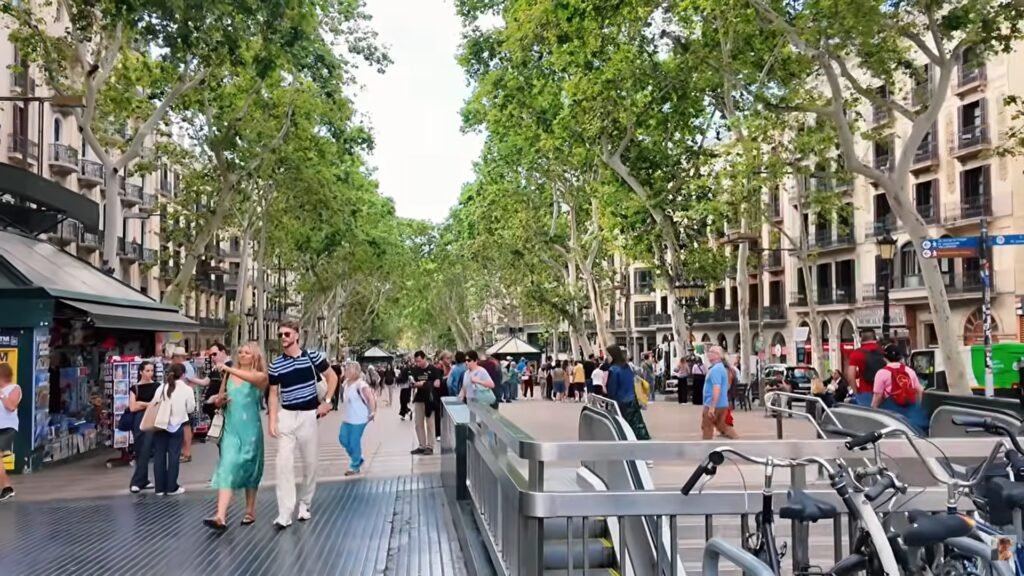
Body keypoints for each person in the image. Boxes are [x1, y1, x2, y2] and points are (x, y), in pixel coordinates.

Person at [267, 320, 338, 530]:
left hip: (309, 415)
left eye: (287, 334)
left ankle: (305, 504)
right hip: (287, 415)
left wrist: (327, 402)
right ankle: (284, 513)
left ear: (297, 335)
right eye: (281, 335)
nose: (283, 338)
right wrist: (272, 419)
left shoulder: (313, 357)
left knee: (310, 464)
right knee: (283, 464)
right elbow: (272, 393)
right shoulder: (276, 364)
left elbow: (332, 376)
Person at [202, 342, 270, 531]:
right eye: (240, 352)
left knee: (250, 467)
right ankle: (220, 516)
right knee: (227, 466)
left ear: (255, 357)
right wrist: (219, 400)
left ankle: (250, 509)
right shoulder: (230, 374)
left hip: (250, 429)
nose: (241, 355)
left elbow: (255, 379)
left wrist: (229, 369)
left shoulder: (260, 376)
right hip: (231, 429)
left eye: (246, 353)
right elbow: (220, 398)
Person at [152, 363, 196, 496]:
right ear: (183, 374)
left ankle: (159, 488)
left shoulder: (161, 388)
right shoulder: (187, 389)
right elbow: (190, 408)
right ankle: (171, 487)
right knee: (174, 456)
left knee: (159, 456)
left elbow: (154, 404)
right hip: (176, 426)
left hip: (160, 425)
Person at [871, 344, 927, 432]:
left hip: (891, 413)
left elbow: (878, 396)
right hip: (910, 411)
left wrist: (873, 411)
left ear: (885, 358)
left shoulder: (881, 373)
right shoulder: (909, 371)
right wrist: (917, 406)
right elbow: (919, 390)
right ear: (900, 358)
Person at [338, 361, 377, 477]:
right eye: (345, 370)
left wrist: (372, 412)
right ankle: (358, 458)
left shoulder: (361, 385)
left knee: (354, 441)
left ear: (354, 371)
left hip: (360, 418)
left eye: (348, 370)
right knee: (343, 439)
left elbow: (371, 398)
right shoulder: (345, 383)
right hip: (347, 418)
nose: (345, 372)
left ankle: (355, 465)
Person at [605, 345, 651, 441]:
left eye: (608, 355)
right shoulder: (627, 368)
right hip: (632, 402)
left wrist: (609, 405)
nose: (606, 358)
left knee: (623, 431)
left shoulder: (613, 370)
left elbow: (612, 391)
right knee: (637, 429)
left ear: (613, 355)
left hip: (621, 405)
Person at [128, 361, 159, 493]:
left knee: (148, 448)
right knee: (141, 449)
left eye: (152, 370)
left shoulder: (158, 386)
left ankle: (138, 481)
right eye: (147, 370)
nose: (150, 373)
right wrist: (149, 404)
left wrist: (142, 403)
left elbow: (159, 403)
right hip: (139, 420)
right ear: (141, 371)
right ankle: (142, 480)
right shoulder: (135, 388)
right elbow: (133, 407)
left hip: (153, 418)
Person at [170, 346, 204, 463]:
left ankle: (187, 452)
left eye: (174, 356)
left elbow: (192, 382)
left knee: (185, 426)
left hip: (184, 401)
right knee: (184, 425)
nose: (172, 359)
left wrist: (182, 393)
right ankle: (184, 451)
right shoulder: (185, 366)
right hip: (184, 399)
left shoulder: (186, 367)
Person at [408, 351, 443, 456]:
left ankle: (430, 446)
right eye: (416, 361)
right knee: (418, 423)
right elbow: (412, 383)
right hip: (419, 398)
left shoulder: (434, 370)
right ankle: (421, 445)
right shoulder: (415, 370)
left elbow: (437, 384)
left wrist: (424, 383)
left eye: (419, 361)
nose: (417, 363)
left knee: (430, 423)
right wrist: (414, 384)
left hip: (430, 400)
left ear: (424, 359)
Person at [702, 346, 738, 440]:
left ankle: (707, 448)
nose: (709, 354)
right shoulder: (721, 368)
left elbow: (716, 388)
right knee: (722, 426)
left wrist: (712, 407)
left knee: (707, 427)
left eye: (711, 352)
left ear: (718, 355)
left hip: (713, 404)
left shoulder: (716, 370)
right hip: (722, 403)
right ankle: (736, 440)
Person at [0, 363, 22, 502]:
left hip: (7, 428)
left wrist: (1, 394)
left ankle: (7, 487)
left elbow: (11, 406)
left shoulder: (15, 388)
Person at [846, 328, 885, 406]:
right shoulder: (883, 351)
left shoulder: (856, 354)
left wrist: (856, 393)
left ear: (860, 339)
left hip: (865, 393)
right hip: (884, 393)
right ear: (875, 337)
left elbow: (850, 377)